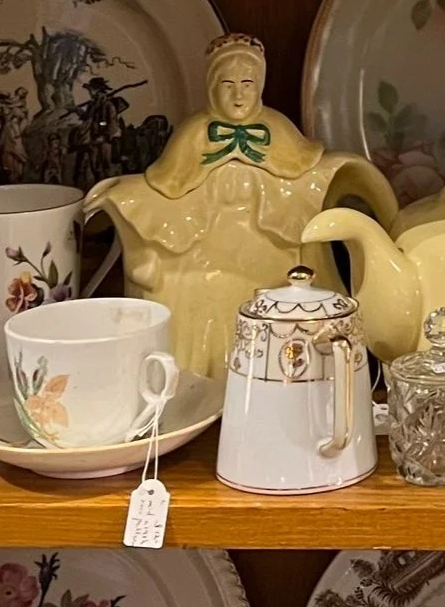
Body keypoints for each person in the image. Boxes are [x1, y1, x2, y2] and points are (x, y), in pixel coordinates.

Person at [82, 33, 397, 378]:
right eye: (227, 84)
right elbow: (164, 185)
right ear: (211, 87)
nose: (238, 94)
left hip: (274, 257)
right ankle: (201, 375)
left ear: (260, 86)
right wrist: (120, 198)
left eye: (247, 84)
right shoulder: (195, 133)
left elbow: (312, 173)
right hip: (205, 259)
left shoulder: (277, 129)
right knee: (197, 307)